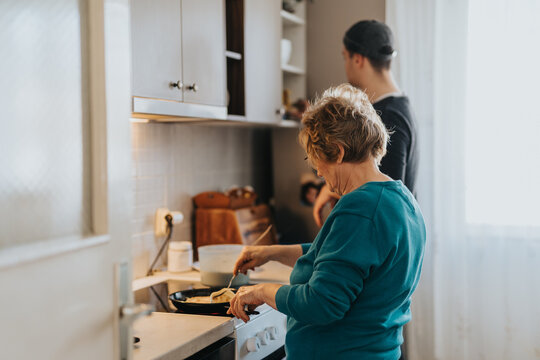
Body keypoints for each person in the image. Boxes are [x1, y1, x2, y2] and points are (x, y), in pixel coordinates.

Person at [227, 84, 426, 359]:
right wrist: (270, 253)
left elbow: (321, 304)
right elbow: (339, 256)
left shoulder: (360, 208)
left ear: (339, 151)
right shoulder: (402, 201)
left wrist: (262, 292)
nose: (319, 173)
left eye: (317, 160)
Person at [313, 20, 419, 227]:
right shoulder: (400, 106)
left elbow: (381, 198)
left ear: (358, 59)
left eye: (345, 57)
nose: (345, 66)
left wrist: (333, 188)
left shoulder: (387, 117)